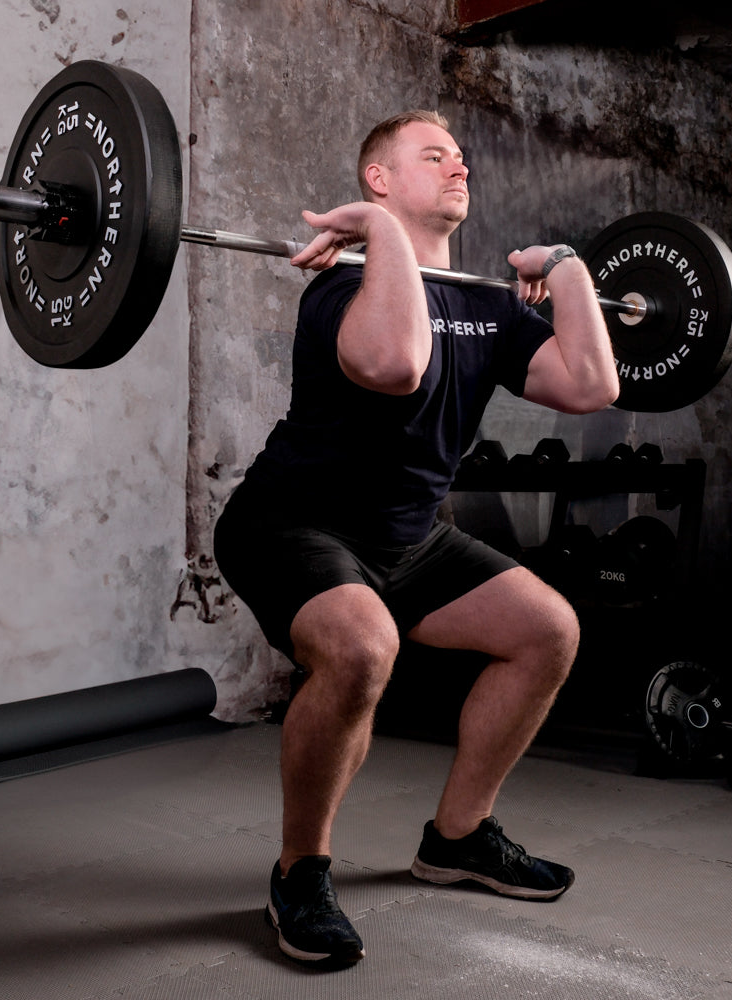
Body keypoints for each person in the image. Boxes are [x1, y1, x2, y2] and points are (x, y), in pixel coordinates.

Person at [213, 110, 619, 967]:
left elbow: (589, 384)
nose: (458, 166)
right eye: (434, 155)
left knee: (547, 630)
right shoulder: (340, 289)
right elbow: (397, 365)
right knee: (363, 651)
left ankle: (458, 837)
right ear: (380, 181)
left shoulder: (485, 308)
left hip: (407, 540)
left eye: (462, 157)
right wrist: (375, 238)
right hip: (291, 524)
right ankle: (301, 872)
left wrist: (569, 269)